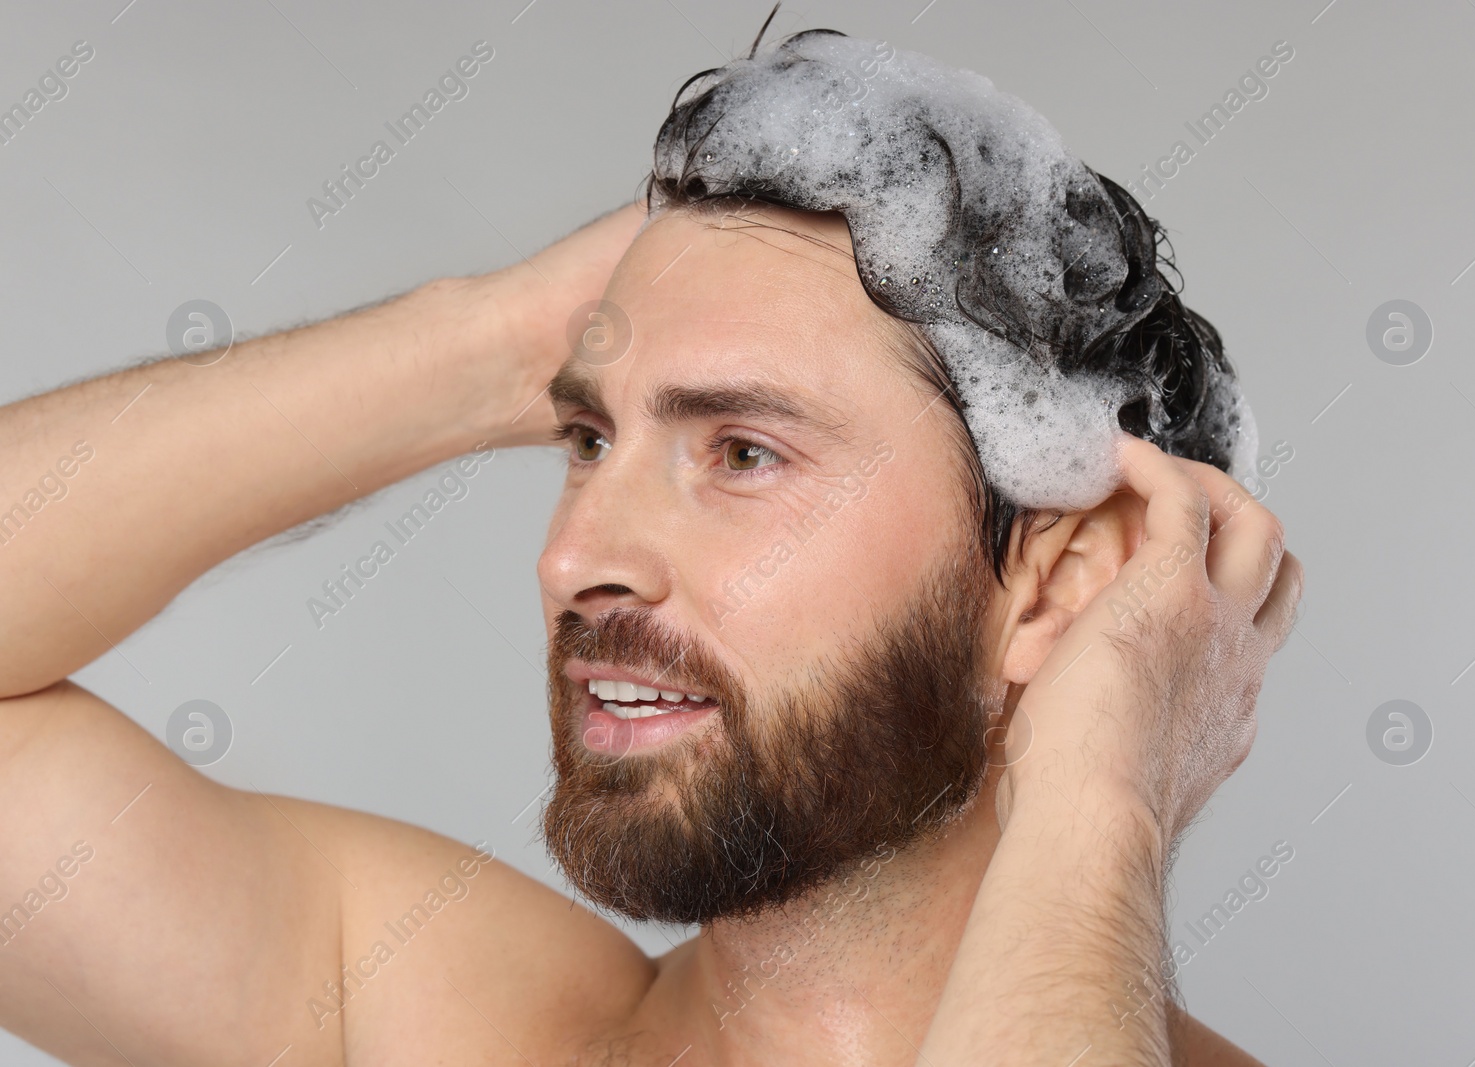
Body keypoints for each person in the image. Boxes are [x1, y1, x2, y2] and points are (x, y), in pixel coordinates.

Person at [0, 30, 1301, 1067]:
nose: (574, 559)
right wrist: (503, 344)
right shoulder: (431, 1025)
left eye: (743, 452)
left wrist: (1098, 810)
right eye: (586, 442)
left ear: (1061, 583)